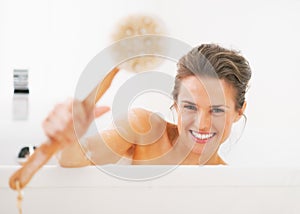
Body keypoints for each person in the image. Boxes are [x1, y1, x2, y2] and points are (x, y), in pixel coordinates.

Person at [42, 44, 252, 166]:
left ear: (238, 111)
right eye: (190, 107)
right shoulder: (144, 130)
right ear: (176, 104)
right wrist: (68, 137)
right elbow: (78, 158)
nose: (202, 124)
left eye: (216, 110)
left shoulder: (227, 182)